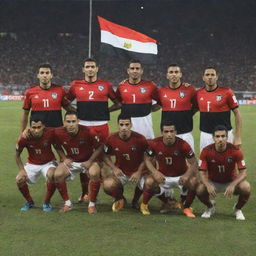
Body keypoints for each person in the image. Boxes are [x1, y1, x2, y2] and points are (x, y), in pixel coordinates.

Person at [67, 58, 119, 202]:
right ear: (83, 69)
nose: (90, 69)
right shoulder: (75, 85)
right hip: (82, 125)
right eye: (87, 67)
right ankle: (85, 194)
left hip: (101, 125)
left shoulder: (105, 85)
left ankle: (110, 190)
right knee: (84, 159)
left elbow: (118, 103)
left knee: (103, 158)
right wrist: (76, 112)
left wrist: (105, 111)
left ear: (97, 69)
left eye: (92, 67)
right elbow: (65, 102)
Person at [141, 122, 198, 218]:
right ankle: (145, 205)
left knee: (193, 181)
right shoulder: (155, 143)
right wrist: (155, 172)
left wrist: (187, 175)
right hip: (163, 177)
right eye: (166, 131)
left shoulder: (183, 144)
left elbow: (194, 163)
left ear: (175, 132)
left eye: (171, 131)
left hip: (181, 177)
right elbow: (147, 159)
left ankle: (186, 206)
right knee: (149, 181)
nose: (169, 134)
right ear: (161, 132)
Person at [197, 125, 250, 220]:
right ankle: (210, 207)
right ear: (213, 138)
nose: (220, 139)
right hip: (213, 182)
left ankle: (237, 209)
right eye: (217, 136)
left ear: (227, 137)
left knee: (246, 187)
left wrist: (233, 185)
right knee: (200, 189)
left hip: (230, 182)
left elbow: (243, 172)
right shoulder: (206, 151)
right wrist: (208, 185)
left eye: (223, 136)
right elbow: (201, 173)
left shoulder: (235, 151)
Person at [53, 111, 103, 214]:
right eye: (68, 121)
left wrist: (90, 161)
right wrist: (64, 158)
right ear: (64, 122)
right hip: (72, 161)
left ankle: (92, 204)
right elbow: (56, 146)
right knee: (57, 175)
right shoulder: (58, 132)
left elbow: (100, 147)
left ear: (78, 122)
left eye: (73, 121)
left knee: (94, 173)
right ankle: (67, 203)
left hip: (88, 161)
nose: (71, 124)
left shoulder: (89, 132)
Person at [102, 113, 148, 212]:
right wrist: (114, 168)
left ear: (131, 125)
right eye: (121, 124)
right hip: (122, 172)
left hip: (139, 172)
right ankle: (120, 198)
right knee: (107, 185)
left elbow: (148, 158)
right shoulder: (111, 138)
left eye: (127, 125)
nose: (124, 128)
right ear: (117, 125)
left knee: (151, 185)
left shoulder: (140, 139)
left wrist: (139, 172)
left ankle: (135, 201)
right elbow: (105, 156)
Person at [15, 117, 58, 212]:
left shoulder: (50, 133)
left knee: (52, 175)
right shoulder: (24, 137)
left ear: (44, 126)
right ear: (29, 127)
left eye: (39, 127)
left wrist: (62, 160)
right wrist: (22, 170)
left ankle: (47, 202)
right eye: (33, 127)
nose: (36, 130)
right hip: (32, 164)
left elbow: (58, 146)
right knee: (19, 179)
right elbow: (17, 155)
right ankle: (29, 201)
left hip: (48, 163)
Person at [196, 67, 242, 152]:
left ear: (216, 77)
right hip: (206, 135)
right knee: (205, 163)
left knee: (228, 162)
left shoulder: (227, 92)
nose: (210, 77)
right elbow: (191, 110)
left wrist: (237, 136)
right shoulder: (198, 93)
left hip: (225, 134)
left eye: (212, 75)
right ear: (203, 77)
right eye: (207, 75)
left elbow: (237, 114)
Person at [114, 59, 159, 139]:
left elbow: (160, 102)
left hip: (145, 126)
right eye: (132, 68)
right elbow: (118, 104)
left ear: (141, 71)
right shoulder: (121, 86)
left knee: (147, 148)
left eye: (137, 68)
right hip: (127, 125)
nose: (135, 71)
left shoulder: (150, 86)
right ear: (128, 71)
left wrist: (149, 109)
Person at [20, 63, 73, 133]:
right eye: (42, 73)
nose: (44, 75)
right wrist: (22, 133)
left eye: (47, 73)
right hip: (37, 133)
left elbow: (69, 109)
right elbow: (25, 114)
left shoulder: (60, 90)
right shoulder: (30, 92)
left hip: (57, 132)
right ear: (38, 75)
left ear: (51, 75)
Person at [157, 64, 197, 150]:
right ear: (167, 76)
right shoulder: (161, 91)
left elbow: (196, 106)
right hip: (167, 134)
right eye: (171, 72)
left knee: (189, 162)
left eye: (176, 72)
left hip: (185, 133)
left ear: (180, 74)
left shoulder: (189, 89)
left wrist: (188, 115)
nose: (174, 74)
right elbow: (159, 104)